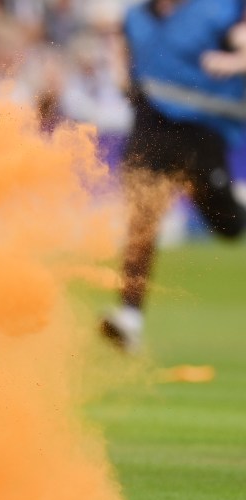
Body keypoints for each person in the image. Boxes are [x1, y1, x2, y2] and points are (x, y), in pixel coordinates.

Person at [101, 0, 246, 352]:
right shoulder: (135, 17)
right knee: (142, 218)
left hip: (201, 133)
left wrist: (234, 61)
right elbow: (120, 43)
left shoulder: (217, 11)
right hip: (152, 126)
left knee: (227, 224)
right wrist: (120, 73)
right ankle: (129, 316)